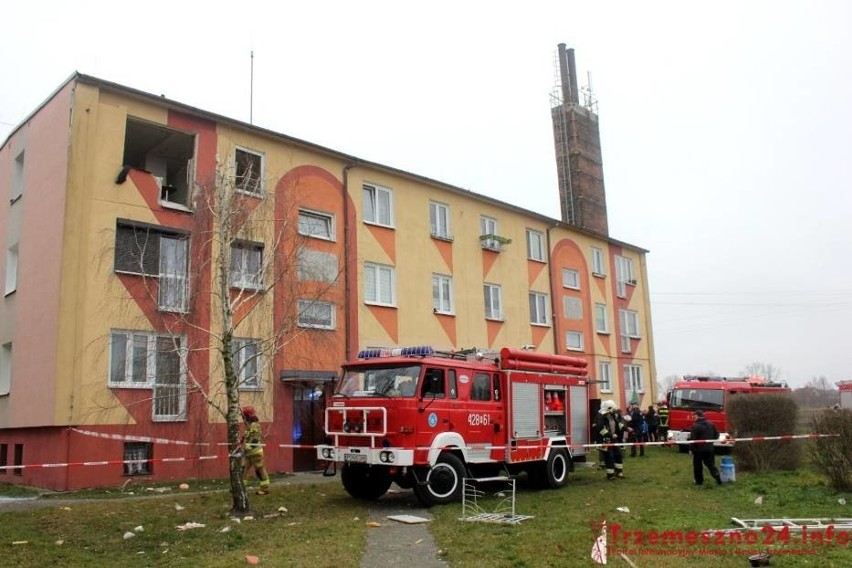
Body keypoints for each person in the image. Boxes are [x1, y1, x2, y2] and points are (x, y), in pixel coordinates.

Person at [240, 405, 271, 495]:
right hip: (248, 453)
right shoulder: (251, 424)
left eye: (244, 415)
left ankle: (265, 489)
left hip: (255, 452)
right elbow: (248, 434)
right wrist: (242, 440)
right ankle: (241, 488)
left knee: (259, 470)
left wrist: (249, 446)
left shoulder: (254, 425)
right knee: (243, 469)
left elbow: (255, 438)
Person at [593, 400, 627, 480]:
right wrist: (611, 435)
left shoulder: (613, 416)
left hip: (613, 439)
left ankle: (619, 472)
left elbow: (619, 424)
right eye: (613, 409)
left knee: (618, 454)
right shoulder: (601, 417)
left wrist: (627, 429)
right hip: (605, 440)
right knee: (609, 456)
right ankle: (610, 475)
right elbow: (601, 430)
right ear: (608, 409)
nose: (614, 411)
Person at [688, 410, 722, 486]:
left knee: (697, 466)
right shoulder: (711, 424)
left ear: (697, 416)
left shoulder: (695, 426)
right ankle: (718, 478)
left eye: (694, 416)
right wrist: (710, 442)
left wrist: (691, 449)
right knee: (711, 465)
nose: (694, 417)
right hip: (710, 449)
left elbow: (693, 439)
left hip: (698, 450)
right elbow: (717, 435)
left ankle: (699, 481)